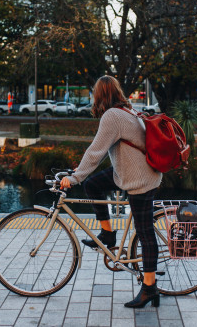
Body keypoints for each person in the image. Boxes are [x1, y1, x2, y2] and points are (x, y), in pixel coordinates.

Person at [60, 75, 162, 308]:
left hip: (139, 180)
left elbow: (96, 150)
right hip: (130, 173)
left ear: (100, 95)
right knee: (93, 184)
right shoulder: (127, 111)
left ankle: (149, 289)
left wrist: (74, 177)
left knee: (145, 234)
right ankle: (107, 234)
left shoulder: (112, 116)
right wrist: (83, 173)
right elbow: (104, 152)